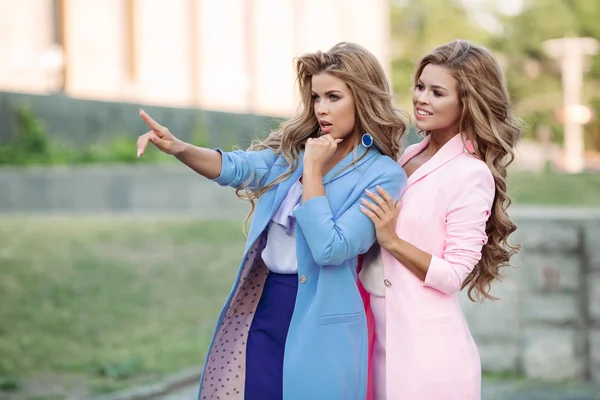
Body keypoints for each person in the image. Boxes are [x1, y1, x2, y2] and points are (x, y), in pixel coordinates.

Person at [136, 42, 408, 400]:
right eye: (316, 97)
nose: (321, 108)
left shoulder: (383, 174)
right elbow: (238, 168)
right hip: (269, 306)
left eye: (333, 97)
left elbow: (333, 248)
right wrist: (179, 148)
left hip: (323, 316)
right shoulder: (293, 153)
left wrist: (313, 170)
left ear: (362, 97)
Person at [359, 40, 521, 399]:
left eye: (437, 92)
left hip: (427, 355)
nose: (421, 98)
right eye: (420, 87)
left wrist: (393, 241)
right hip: (378, 337)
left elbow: (452, 276)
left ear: (467, 103)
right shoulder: (406, 156)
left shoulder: (470, 174)